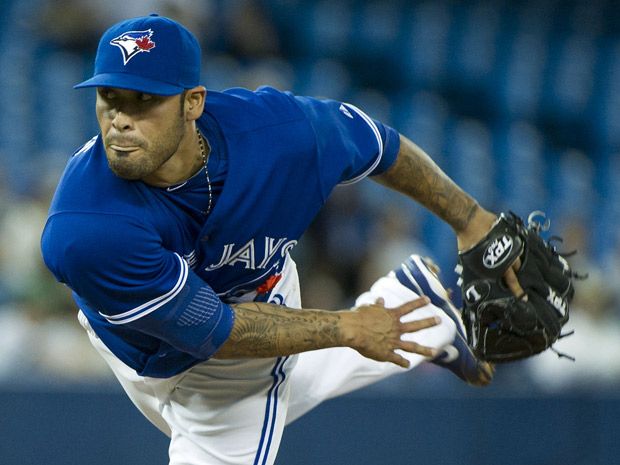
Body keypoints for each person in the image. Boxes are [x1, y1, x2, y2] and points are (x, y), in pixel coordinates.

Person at [41, 14, 511, 465]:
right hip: (133, 338)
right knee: (274, 397)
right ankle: (424, 312)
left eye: (144, 100)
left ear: (193, 103)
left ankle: (421, 316)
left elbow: (380, 147)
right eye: (110, 97)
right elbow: (212, 331)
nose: (120, 119)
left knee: (229, 415)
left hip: (249, 300)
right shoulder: (85, 226)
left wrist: (471, 218)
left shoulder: (279, 134)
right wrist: (350, 328)